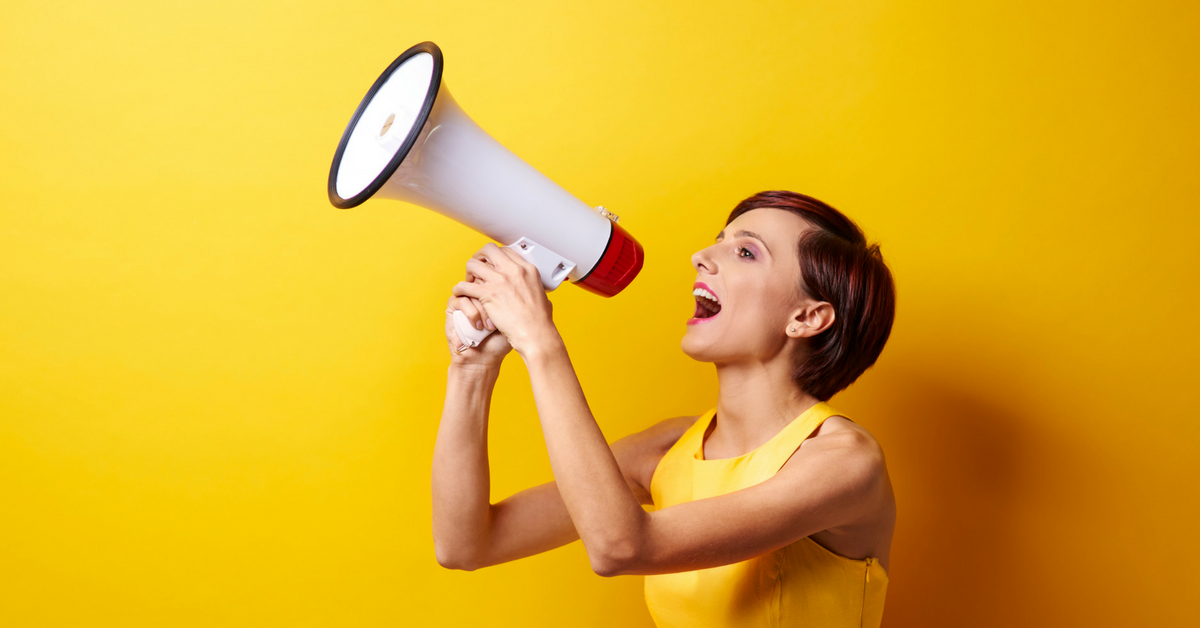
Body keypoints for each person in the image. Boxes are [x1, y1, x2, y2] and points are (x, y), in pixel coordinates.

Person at [432, 190, 897, 627]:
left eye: (746, 252)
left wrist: (538, 341)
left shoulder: (844, 462)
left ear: (806, 318)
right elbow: (466, 543)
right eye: (719, 241)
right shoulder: (668, 448)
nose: (701, 256)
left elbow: (622, 547)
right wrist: (470, 369)